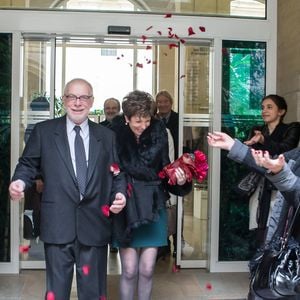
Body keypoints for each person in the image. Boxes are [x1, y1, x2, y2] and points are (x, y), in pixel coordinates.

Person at [9, 78, 127, 300]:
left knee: (93, 292)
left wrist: (119, 194)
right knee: (57, 292)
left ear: (91, 101)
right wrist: (20, 182)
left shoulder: (107, 136)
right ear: (64, 100)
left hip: (94, 225)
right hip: (57, 223)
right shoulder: (44, 132)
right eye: (72, 96)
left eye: (83, 97)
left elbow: (117, 173)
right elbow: (27, 164)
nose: (77, 102)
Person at [111, 90, 192, 300]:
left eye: (147, 120)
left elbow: (165, 167)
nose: (143, 126)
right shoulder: (115, 135)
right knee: (129, 270)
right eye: (138, 121)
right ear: (126, 119)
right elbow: (110, 172)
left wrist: (179, 180)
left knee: (147, 269)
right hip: (127, 205)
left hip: (153, 204)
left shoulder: (159, 132)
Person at [207, 131, 300, 300]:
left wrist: (282, 174)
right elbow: (270, 162)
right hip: (288, 248)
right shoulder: (298, 155)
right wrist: (233, 146)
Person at [239, 94, 300, 248]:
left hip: (279, 188)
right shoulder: (257, 130)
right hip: (259, 186)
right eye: (262, 107)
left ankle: (273, 268)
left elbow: (285, 151)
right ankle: (260, 268)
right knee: (259, 227)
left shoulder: (291, 128)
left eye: (269, 107)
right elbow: (249, 158)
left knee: (277, 227)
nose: (264, 111)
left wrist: (263, 141)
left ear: (281, 111)